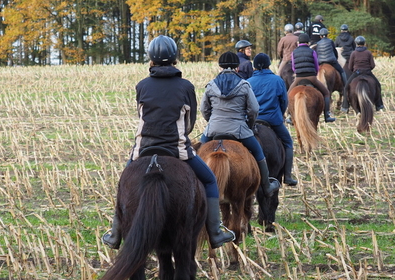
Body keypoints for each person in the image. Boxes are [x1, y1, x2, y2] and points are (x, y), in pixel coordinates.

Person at [102, 35, 235, 250]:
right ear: (175, 57)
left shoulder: (142, 85)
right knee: (210, 180)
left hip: (143, 148)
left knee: (124, 182)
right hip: (178, 149)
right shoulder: (185, 86)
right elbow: (190, 123)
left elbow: (142, 116)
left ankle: (116, 233)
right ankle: (215, 232)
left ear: (151, 59)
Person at [200, 52, 281, 195]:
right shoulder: (244, 85)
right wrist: (249, 124)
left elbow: (204, 109)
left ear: (220, 67)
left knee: (198, 154)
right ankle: (267, 185)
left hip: (213, 129)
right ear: (237, 68)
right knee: (258, 152)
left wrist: (212, 122)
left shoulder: (211, 85)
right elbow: (254, 110)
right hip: (239, 130)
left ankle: (197, 185)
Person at [247, 53, 298, 186]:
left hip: (253, 122)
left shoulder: (248, 82)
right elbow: (284, 102)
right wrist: (279, 116)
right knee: (288, 143)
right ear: (269, 65)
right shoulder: (277, 80)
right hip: (273, 120)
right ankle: (287, 176)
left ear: (254, 67)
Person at [289, 32, 336, 123]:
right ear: (308, 42)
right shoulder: (312, 51)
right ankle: (327, 115)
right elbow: (316, 65)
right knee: (326, 93)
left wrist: (298, 73)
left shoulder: (294, 52)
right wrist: (314, 73)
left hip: (298, 77)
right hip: (311, 77)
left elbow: (293, 67)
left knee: (288, 94)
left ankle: (290, 116)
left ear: (298, 42)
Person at [341, 35, 385, 112]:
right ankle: (379, 105)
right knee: (378, 85)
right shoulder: (368, 52)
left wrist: (354, 70)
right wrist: (367, 69)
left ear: (356, 44)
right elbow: (372, 65)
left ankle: (345, 106)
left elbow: (350, 66)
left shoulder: (353, 53)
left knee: (346, 87)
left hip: (357, 73)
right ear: (364, 43)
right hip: (367, 72)